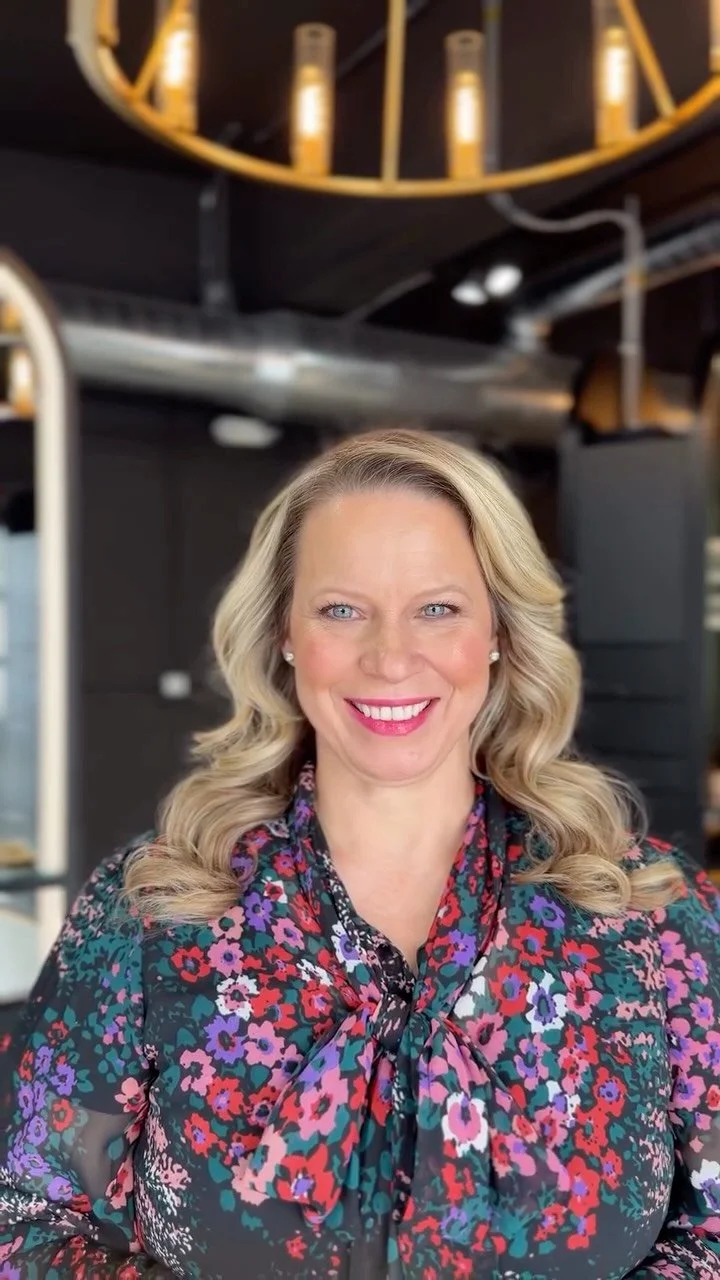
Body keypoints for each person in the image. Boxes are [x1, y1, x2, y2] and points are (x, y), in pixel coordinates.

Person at [1, 426, 719, 1280]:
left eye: (438, 609)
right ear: (284, 632)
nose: (390, 657)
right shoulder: (153, 907)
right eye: (341, 609)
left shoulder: (648, 914)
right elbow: (27, 1217)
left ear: (498, 631)